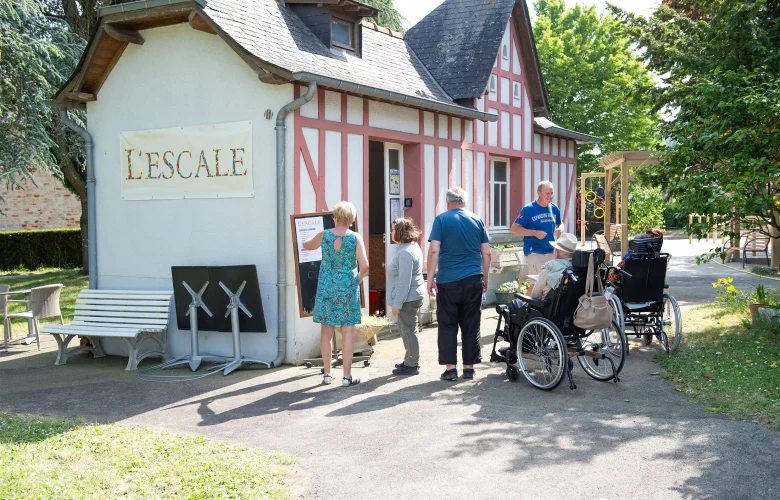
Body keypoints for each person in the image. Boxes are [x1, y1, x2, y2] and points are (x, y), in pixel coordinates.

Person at [427, 187, 491, 381]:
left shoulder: (441, 220)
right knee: (471, 323)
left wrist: (430, 278)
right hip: (473, 278)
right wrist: (485, 277)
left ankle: (451, 369)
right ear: (465, 201)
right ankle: (469, 368)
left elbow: (434, 250)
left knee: (447, 324)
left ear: (447, 202)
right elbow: (486, 253)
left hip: (448, 279)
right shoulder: (477, 220)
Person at [304, 201, 369, 387]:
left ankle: (327, 374)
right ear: (352, 218)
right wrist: (357, 280)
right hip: (348, 288)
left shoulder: (324, 235)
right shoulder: (355, 238)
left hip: (326, 289)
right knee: (347, 331)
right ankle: (347, 377)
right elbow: (365, 266)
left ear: (335, 217)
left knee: (327, 331)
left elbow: (307, 246)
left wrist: (306, 239)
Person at [386, 218, 426, 376]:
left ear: (400, 231)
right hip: (411, 296)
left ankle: (412, 364)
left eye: (393, 230)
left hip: (408, 298)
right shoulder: (410, 247)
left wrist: (397, 304)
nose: (391, 232)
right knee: (406, 330)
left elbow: (404, 281)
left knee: (408, 330)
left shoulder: (405, 252)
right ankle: (409, 359)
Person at [511, 181, 565, 293]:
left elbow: (560, 223)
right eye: (547, 193)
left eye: (552, 193)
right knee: (536, 284)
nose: (550, 196)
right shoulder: (528, 209)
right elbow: (514, 229)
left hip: (551, 251)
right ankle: (525, 303)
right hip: (534, 252)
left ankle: (536, 304)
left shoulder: (554, 208)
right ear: (539, 193)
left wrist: (561, 229)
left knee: (550, 284)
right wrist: (534, 233)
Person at [530, 233, 577, 299]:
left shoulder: (550, 268)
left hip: (546, 304)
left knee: (516, 303)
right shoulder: (578, 268)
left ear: (556, 252)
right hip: (571, 304)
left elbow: (535, 295)